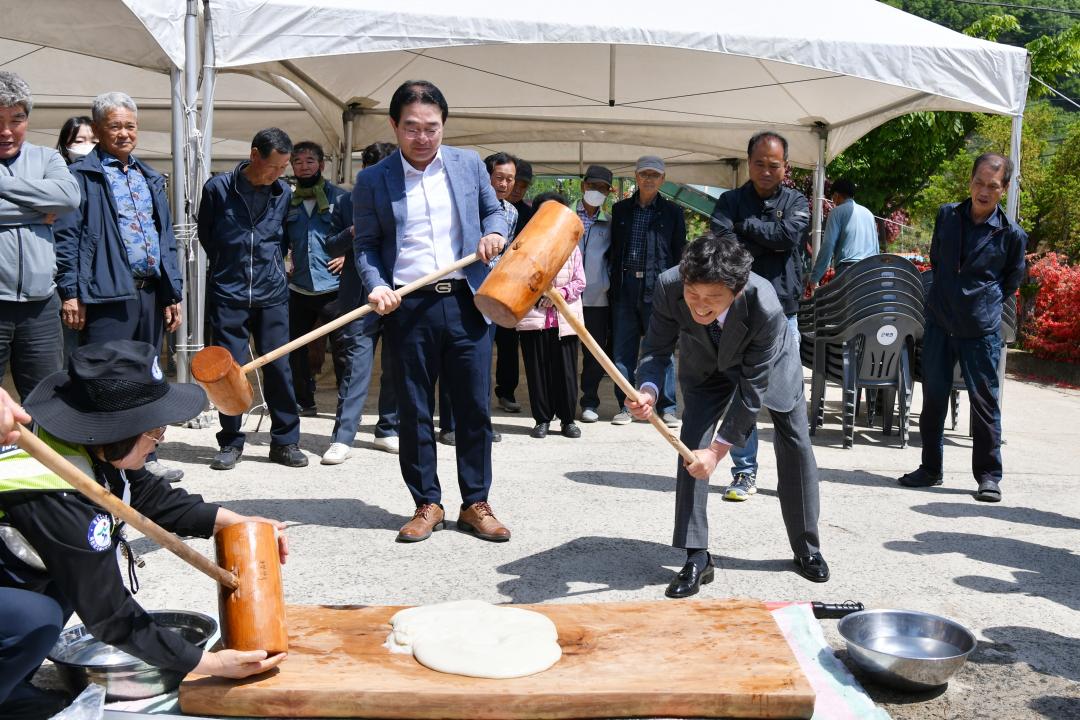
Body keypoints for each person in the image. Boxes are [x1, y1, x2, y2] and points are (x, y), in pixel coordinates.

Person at [0, 341, 289, 720]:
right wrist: (208, 664)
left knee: (67, 585)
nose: (162, 438)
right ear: (113, 431)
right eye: (154, 430)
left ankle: (11, 689)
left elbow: (147, 494)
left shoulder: (85, 447)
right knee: (34, 617)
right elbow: (110, 616)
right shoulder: (58, 494)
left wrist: (234, 521)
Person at [628, 233, 828, 598]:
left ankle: (806, 547)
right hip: (706, 365)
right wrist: (648, 392)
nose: (700, 306)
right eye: (693, 294)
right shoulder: (668, 284)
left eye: (712, 298)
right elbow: (655, 350)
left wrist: (718, 453)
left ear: (735, 290)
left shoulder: (763, 302)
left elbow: (752, 391)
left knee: (796, 445)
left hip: (769, 366)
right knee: (691, 447)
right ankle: (697, 556)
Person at [354, 80, 510, 544]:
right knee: (415, 408)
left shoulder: (467, 165)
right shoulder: (373, 179)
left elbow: (495, 213)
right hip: (408, 304)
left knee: (474, 408)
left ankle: (476, 503)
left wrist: (494, 234)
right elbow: (364, 245)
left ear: (444, 125)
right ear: (394, 126)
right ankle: (427, 502)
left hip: (467, 299)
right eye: (412, 128)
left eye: (432, 128)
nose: (422, 137)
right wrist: (378, 285)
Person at [54, 92, 185, 483]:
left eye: (130, 126)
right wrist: (71, 291)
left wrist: (172, 292)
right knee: (105, 379)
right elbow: (68, 237)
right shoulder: (82, 176)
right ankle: (99, 460)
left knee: (147, 375)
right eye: (115, 126)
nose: (124, 133)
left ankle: (145, 458)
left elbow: (166, 239)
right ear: (97, 131)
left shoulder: (148, 176)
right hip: (106, 292)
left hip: (149, 291)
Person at [898, 153, 1026, 503]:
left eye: (993, 186)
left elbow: (1011, 280)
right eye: (979, 182)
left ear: (1005, 188)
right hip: (940, 321)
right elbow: (937, 259)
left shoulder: (1012, 235)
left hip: (980, 329)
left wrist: (979, 300)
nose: (984, 191)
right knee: (934, 398)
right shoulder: (947, 216)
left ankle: (988, 476)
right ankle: (930, 468)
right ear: (970, 181)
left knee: (985, 404)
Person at [197, 128, 307, 470]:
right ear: (254, 155)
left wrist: (273, 268)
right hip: (228, 292)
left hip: (272, 292)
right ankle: (230, 441)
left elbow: (282, 239)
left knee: (279, 366)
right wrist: (229, 266)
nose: (278, 174)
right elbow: (207, 234)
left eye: (283, 168)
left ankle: (285, 441)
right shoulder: (218, 188)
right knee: (227, 370)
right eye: (273, 166)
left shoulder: (283, 193)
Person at [710, 131, 810, 502]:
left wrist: (746, 227)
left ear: (785, 166)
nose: (766, 171)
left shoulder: (797, 200)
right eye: (759, 163)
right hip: (740, 311)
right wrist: (762, 234)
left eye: (774, 165)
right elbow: (723, 246)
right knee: (741, 394)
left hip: (785, 312)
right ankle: (743, 472)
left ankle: (793, 476)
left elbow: (788, 235)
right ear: (748, 162)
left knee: (787, 398)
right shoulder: (729, 200)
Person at [0, 71, 79, 402]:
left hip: (41, 305)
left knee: (48, 402)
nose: (6, 131)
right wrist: (36, 210)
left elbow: (68, 198)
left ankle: (43, 456)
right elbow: (53, 201)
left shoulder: (46, 157)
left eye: (15, 120)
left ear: (27, 120)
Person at [321, 141, 400, 464]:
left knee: (397, 365)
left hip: (399, 293)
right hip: (358, 297)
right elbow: (329, 246)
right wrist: (352, 232)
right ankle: (343, 437)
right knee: (355, 366)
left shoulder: (406, 198)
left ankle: (388, 428)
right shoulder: (344, 202)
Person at [609, 155, 685, 427]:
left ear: (662, 179)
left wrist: (677, 292)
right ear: (636, 177)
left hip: (660, 288)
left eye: (655, 175)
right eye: (644, 174)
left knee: (661, 348)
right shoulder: (620, 211)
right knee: (623, 350)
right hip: (626, 286)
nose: (649, 179)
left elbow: (679, 254)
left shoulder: (673, 213)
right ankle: (625, 406)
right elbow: (614, 251)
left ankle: (667, 407)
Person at [284, 141, 350, 417]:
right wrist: (284, 261)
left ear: (322, 165)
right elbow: (280, 239)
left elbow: (359, 232)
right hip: (299, 287)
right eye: (298, 161)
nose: (304, 166)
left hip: (333, 286)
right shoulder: (286, 199)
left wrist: (348, 257)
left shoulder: (340, 198)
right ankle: (304, 400)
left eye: (310, 161)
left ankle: (346, 406)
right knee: (295, 349)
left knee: (343, 349)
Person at [515, 192, 585, 439]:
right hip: (534, 317)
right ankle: (542, 419)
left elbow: (579, 282)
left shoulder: (572, 245)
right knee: (537, 369)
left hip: (565, 319)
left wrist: (558, 295)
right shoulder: (525, 243)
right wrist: (537, 296)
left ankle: (568, 420)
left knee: (565, 372)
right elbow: (517, 279)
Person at [54, 116, 95, 363]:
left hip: (101, 291)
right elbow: (64, 240)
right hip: (73, 290)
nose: (86, 146)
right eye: (79, 140)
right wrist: (70, 293)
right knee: (72, 359)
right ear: (65, 145)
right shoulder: (64, 182)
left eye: (93, 140)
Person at [575, 165, 614, 423]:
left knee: (594, 355)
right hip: (564, 298)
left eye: (602, 188)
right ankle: (562, 401)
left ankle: (589, 401)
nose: (596, 191)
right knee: (563, 354)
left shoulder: (610, 222)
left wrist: (605, 284)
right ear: (583, 186)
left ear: (609, 192)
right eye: (592, 186)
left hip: (598, 299)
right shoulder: (564, 215)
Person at [485, 152, 522, 414]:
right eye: (499, 178)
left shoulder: (512, 211)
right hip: (474, 288)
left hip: (501, 288)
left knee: (508, 344)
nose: (505, 184)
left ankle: (506, 393)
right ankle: (479, 404)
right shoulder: (470, 207)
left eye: (510, 179)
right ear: (487, 177)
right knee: (480, 350)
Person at [807, 177, 878, 289]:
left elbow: (828, 245)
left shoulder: (836, 212)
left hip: (848, 271)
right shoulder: (869, 213)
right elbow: (876, 248)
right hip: (870, 271)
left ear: (836, 195)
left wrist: (815, 277)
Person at [508, 158, 534, 237]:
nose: (518, 190)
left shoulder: (530, 215)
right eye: (515, 184)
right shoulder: (488, 207)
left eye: (523, 186)